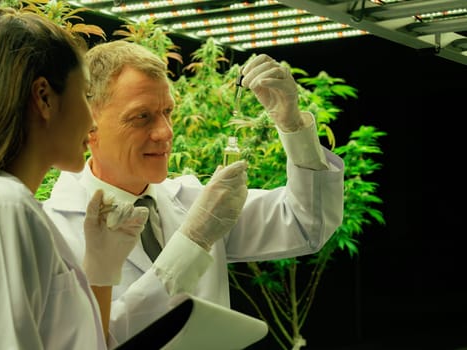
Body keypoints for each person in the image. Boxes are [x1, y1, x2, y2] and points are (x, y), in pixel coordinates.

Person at [43, 40, 344, 345]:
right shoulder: (53, 231)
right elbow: (92, 339)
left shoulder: (192, 200)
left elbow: (307, 222)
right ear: (89, 125)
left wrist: (292, 125)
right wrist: (193, 240)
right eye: (142, 117)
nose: (165, 132)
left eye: (168, 112)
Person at [0, 7, 151, 349]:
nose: (93, 122)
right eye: (85, 95)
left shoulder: (6, 203)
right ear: (44, 98)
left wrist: (99, 275)